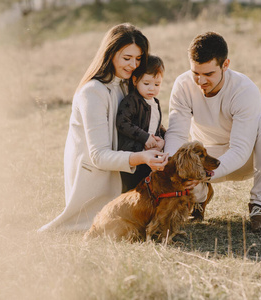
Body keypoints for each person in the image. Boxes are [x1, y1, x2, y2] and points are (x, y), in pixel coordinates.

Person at [38, 23, 169, 232]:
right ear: (110, 54)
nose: (134, 65)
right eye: (127, 58)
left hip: (127, 172)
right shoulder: (93, 92)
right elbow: (99, 155)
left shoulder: (128, 84)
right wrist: (143, 158)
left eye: (138, 59)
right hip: (98, 181)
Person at [164, 32, 261, 233]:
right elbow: (177, 133)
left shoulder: (244, 89)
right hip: (204, 158)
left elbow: (240, 149)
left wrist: (205, 173)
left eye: (208, 74)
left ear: (225, 65)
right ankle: (199, 199)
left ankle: (258, 207)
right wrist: (176, 170)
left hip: (244, 160)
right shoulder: (183, 85)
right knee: (171, 152)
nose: (200, 81)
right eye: (196, 73)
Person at [116, 55, 166, 192]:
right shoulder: (131, 101)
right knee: (133, 189)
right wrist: (145, 137)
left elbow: (156, 125)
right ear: (135, 80)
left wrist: (162, 139)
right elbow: (122, 123)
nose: (152, 89)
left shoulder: (154, 102)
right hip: (133, 156)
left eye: (157, 84)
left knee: (150, 187)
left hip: (149, 156)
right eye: (146, 83)